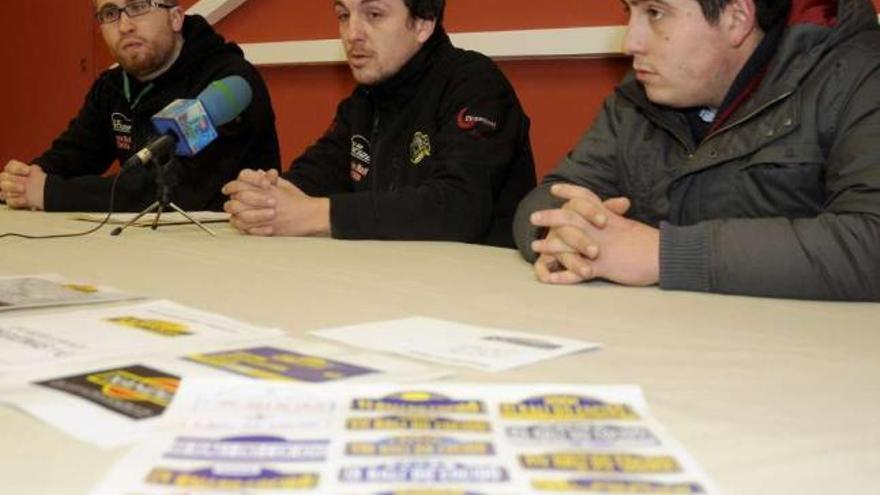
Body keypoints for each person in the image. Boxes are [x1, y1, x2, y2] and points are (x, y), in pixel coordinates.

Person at [514, 0, 880, 301]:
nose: (631, 43)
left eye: (655, 13)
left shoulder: (858, 75)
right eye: (631, 13)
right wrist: (564, 236)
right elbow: (552, 194)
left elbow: (870, 242)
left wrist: (663, 255)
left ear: (737, 18)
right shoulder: (642, 93)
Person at [222, 0, 536, 247]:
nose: (351, 33)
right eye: (343, 15)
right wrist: (266, 195)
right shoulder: (365, 99)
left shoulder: (476, 85)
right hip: (389, 282)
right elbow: (317, 172)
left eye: (373, 14)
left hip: (477, 296)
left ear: (423, 23)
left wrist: (316, 215)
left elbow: (459, 206)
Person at [0, 0, 280, 212]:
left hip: (227, 248)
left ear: (174, 17)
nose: (124, 26)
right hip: (143, 246)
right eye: (110, 13)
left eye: (137, 6)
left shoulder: (227, 84)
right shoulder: (112, 86)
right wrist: (25, 179)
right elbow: (73, 155)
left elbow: (173, 189)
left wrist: (50, 192)